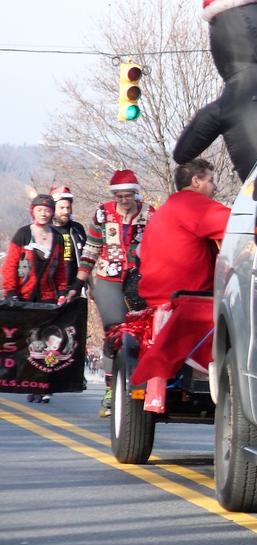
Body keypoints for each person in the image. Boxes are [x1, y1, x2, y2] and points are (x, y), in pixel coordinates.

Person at [72, 169, 155, 416]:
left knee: (141, 331)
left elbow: (160, 245)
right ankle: (111, 389)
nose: (123, 201)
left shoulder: (149, 214)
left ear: (136, 195)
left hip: (139, 279)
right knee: (114, 331)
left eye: (128, 196)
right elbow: (92, 247)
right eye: (119, 196)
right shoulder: (103, 213)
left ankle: (141, 382)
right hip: (109, 277)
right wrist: (79, 282)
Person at [1, 194, 69, 403]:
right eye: (40, 209)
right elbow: (11, 264)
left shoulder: (57, 238)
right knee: (19, 340)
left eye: (48, 209)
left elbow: (60, 270)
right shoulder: (23, 234)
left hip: (47, 297)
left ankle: (41, 384)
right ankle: (18, 380)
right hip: (22, 295)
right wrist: (10, 291)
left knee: (43, 342)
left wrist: (62, 292)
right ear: (33, 211)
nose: (44, 213)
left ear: (52, 212)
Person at [138, 159, 230, 307]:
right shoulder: (194, 205)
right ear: (196, 182)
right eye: (211, 181)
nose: (215, 187)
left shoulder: (167, 208)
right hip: (188, 304)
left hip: (157, 301)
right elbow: (240, 227)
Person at [49, 186, 87, 286]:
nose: (66, 212)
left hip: (74, 288)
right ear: (53, 209)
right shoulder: (46, 231)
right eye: (61, 208)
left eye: (68, 208)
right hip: (50, 289)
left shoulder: (77, 229)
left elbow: (87, 259)